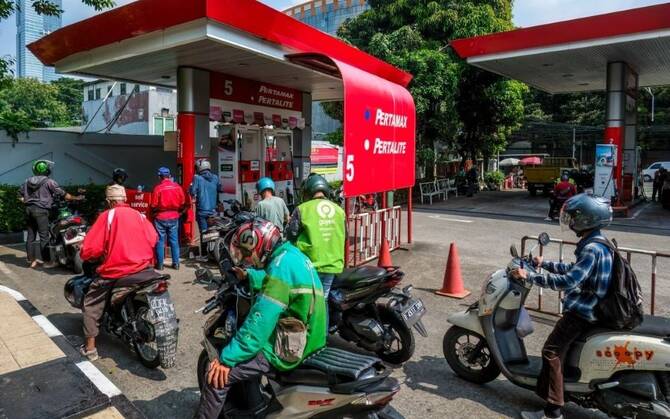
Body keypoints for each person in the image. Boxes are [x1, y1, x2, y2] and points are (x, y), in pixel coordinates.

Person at [194, 220, 326, 418]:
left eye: (248, 253)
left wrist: (226, 359)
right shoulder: (288, 255)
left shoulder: (280, 268)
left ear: (261, 246)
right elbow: (273, 280)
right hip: (312, 334)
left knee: (216, 377)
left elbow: (259, 323)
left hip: (291, 347)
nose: (248, 259)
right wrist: (248, 275)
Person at [512, 194, 614, 419]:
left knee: (551, 352)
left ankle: (553, 411)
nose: (571, 221)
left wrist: (529, 276)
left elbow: (568, 281)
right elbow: (575, 269)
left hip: (582, 312)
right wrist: (544, 263)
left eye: (575, 217)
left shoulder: (591, 248)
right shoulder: (599, 243)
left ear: (588, 219)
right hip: (594, 309)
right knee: (561, 352)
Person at [79, 184, 158, 361]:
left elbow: (91, 249)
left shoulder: (107, 216)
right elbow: (153, 238)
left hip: (116, 271)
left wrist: (84, 252)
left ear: (109, 201)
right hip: (144, 269)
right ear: (124, 199)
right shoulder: (139, 215)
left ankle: (90, 348)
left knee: (91, 304)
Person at [286, 173, 345, 300]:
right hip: (332, 265)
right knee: (323, 300)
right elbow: (344, 236)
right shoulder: (340, 211)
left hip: (309, 265)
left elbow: (291, 235)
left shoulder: (302, 209)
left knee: (311, 302)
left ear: (307, 191)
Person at [19, 160, 83, 268]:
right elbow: (63, 194)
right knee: (44, 237)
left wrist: (27, 201)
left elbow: (20, 195)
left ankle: (32, 261)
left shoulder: (27, 181)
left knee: (31, 236)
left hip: (29, 210)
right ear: (46, 170)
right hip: (41, 210)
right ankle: (47, 262)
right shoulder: (49, 182)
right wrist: (76, 197)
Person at [151, 167, 187, 270]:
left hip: (160, 217)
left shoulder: (158, 188)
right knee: (174, 241)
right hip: (174, 216)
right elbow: (182, 202)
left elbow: (153, 205)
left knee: (160, 241)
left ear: (160, 177)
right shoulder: (177, 187)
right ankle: (176, 264)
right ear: (169, 176)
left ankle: (160, 265)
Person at [189, 159, 222, 257]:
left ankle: (204, 255)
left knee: (204, 232)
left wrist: (190, 187)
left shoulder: (197, 178)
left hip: (202, 211)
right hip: (213, 210)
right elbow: (220, 189)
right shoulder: (215, 177)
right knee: (213, 232)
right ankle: (213, 253)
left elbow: (192, 192)